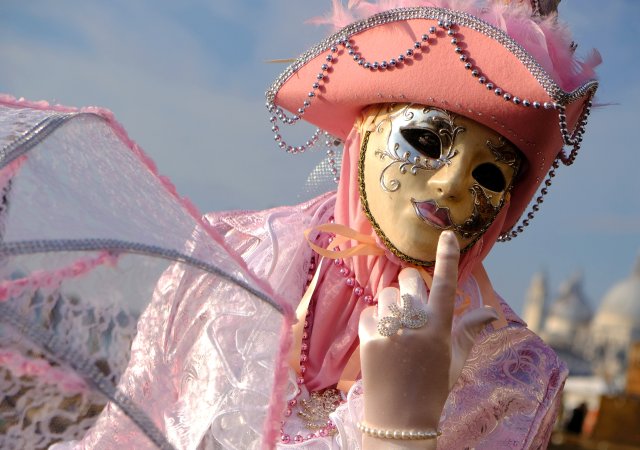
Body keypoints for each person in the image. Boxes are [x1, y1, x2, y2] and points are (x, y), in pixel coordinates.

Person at [0, 0, 599, 449]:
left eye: (490, 177)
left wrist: (403, 431)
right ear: (362, 135)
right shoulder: (231, 257)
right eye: (424, 140)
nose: (450, 185)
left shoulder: (509, 372)